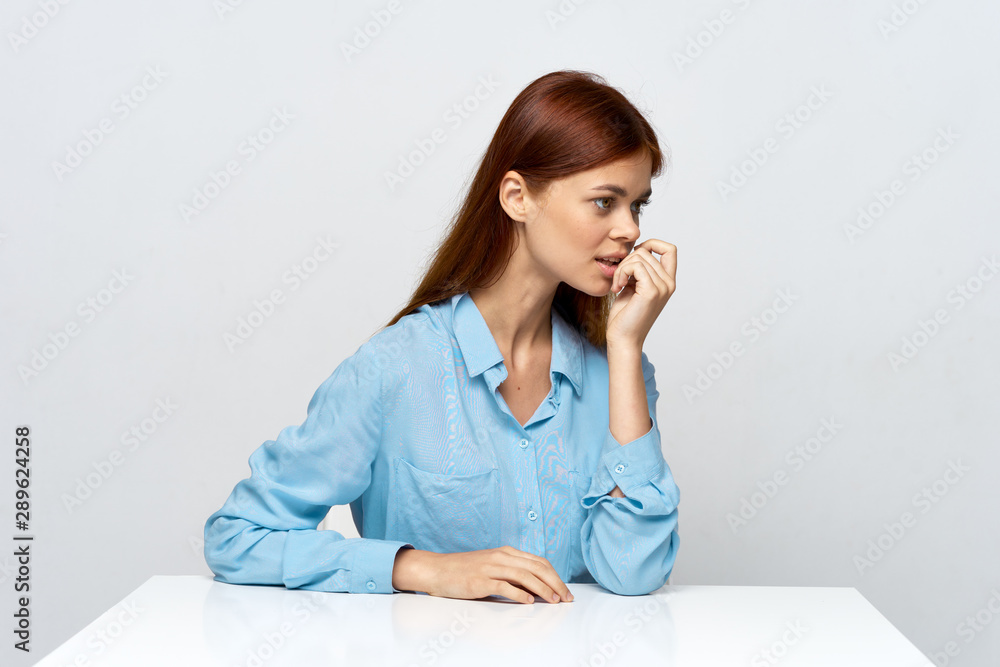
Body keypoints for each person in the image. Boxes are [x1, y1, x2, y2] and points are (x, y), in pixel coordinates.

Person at [203, 69, 680, 604]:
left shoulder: (621, 375)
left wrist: (624, 349)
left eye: (637, 205)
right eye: (604, 201)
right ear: (518, 197)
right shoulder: (394, 369)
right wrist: (420, 568)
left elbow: (632, 571)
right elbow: (237, 537)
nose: (630, 229)